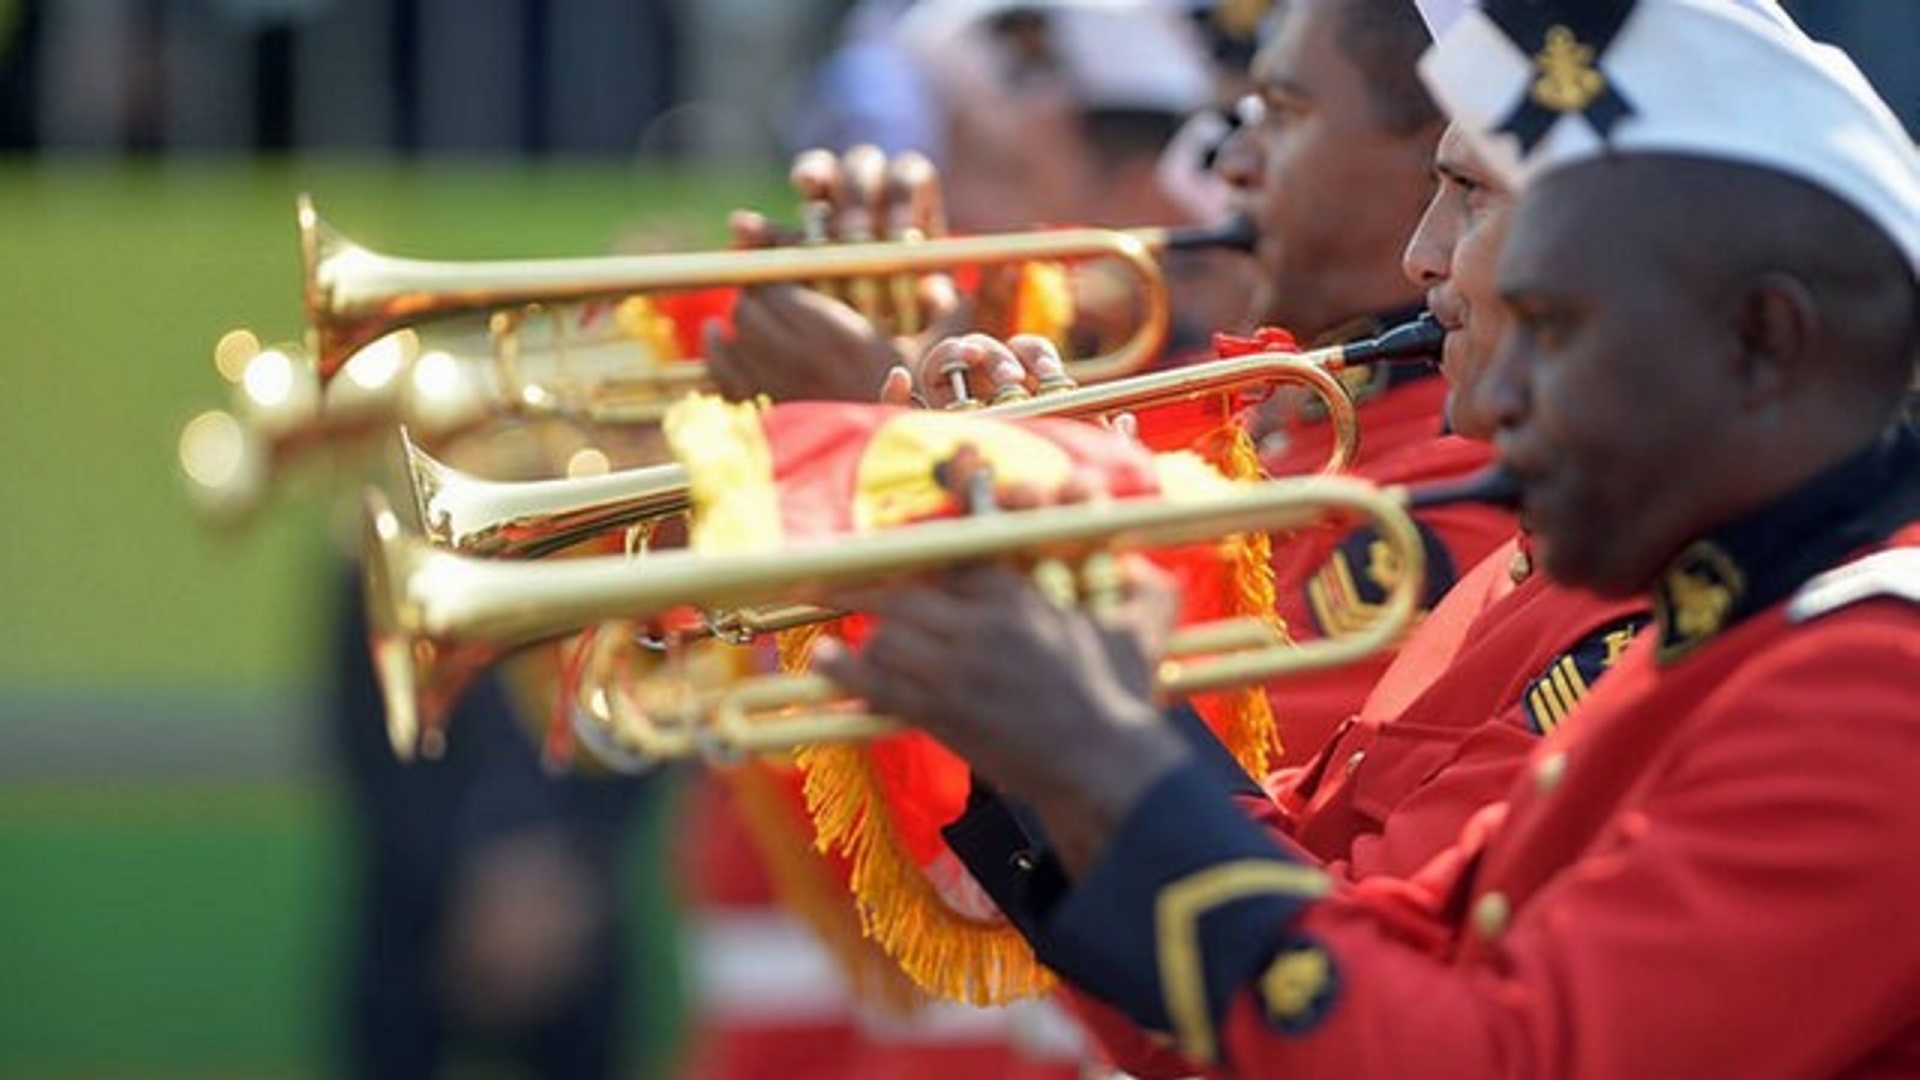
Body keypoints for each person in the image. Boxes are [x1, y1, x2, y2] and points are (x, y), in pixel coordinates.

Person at [819, 0, 1920, 1074]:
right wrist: (1062, 748)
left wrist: (1111, 752)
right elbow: (1321, 991)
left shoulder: (1879, 680)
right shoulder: (1730, 635)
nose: (1497, 395)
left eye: (1556, 329)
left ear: (1766, 339)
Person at [710, 0, 1518, 771]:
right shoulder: (1258, 406)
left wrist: (891, 442)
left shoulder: (1453, 480)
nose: (1223, 166)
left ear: (1438, 159)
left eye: (1279, 112)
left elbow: (1187, 796)